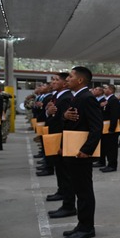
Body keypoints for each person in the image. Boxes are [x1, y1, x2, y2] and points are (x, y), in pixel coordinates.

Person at [61, 66, 103, 238]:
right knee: (79, 189)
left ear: (80, 80)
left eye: (70, 76)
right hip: (73, 150)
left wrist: (87, 150)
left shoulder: (87, 98)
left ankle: (87, 227)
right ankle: (81, 224)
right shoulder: (76, 97)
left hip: (81, 152)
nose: (67, 79)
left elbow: (97, 127)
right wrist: (64, 116)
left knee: (84, 190)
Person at [44, 73, 74, 206]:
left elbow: (65, 123)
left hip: (62, 137)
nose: (53, 82)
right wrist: (48, 112)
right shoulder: (56, 97)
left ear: (64, 83)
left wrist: (64, 144)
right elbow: (53, 116)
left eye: (56, 80)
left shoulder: (66, 98)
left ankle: (67, 199)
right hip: (56, 136)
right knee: (59, 168)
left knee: (65, 171)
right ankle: (61, 190)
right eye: (53, 80)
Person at [98, 84, 120, 172]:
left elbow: (114, 115)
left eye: (106, 88)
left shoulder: (113, 100)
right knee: (105, 146)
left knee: (111, 148)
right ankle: (102, 162)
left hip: (110, 128)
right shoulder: (107, 100)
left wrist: (112, 129)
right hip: (104, 127)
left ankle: (112, 165)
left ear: (111, 90)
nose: (104, 89)